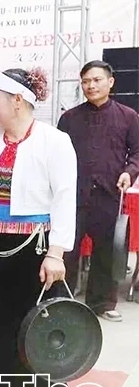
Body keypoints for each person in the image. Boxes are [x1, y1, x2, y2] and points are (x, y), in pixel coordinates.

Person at [0, 67, 79, 387]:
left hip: (34, 249)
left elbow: (66, 199)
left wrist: (57, 253)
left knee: (38, 331)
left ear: (18, 100)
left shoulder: (54, 141)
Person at [59, 60, 139, 322]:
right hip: (74, 195)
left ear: (110, 82)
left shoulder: (128, 116)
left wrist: (129, 171)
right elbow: (57, 155)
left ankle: (102, 303)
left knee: (107, 251)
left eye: (96, 80)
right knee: (67, 249)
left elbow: (137, 153)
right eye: (85, 81)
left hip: (109, 194)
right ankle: (63, 298)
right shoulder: (69, 118)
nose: (90, 86)